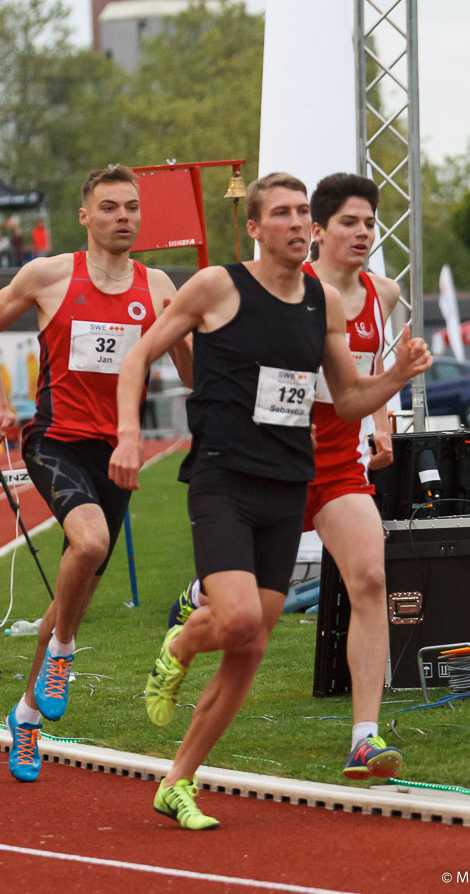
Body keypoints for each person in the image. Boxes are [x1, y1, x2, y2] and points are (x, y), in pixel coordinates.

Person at [109, 171, 431, 830]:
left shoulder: (325, 305)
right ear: (254, 227)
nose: (293, 222)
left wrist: (394, 378)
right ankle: (179, 644)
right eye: (280, 213)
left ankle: (178, 780)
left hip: (290, 483)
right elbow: (140, 354)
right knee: (233, 621)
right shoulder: (216, 286)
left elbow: (345, 400)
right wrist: (127, 434)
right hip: (225, 476)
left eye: (300, 212)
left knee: (252, 643)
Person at [168, 172, 404, 782]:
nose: (362, 234)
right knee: (247, 616)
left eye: (370, 223)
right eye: (349, 223)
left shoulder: (385, 293)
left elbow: (362, 375)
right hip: (269, 462)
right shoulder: (289, 290)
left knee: (371, 578)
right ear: (317, 232)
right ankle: (199, 603)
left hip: (335, 469)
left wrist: (384, 419)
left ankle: (364, 736)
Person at [0, 164, 192, 779]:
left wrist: (194, 335)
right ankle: (63, 653)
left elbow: (194, 375)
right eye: (111, 207)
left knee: (78, 588)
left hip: (118, 452)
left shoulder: (160, 284)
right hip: (56, 439)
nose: (124, 217)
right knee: (88, 543)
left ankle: (25, 715)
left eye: (133, 208)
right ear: (85, 215)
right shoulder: (49, 274)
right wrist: (1, 402)